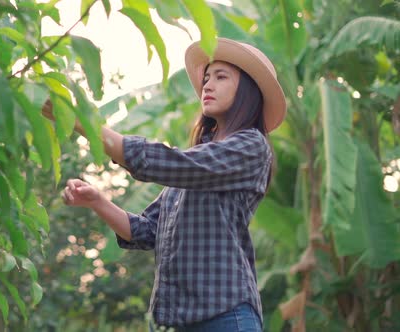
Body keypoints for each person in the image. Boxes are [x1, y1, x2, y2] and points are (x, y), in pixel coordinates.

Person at [42, 37, 286, 332]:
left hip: (226, 318)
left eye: (221, 77)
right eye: (206, 77)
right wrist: (97, 201)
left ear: (248, 92)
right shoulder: (196, 165)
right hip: (183, 323)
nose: (207, 85)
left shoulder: (250, 146)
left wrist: (79, 121)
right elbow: (147, 231)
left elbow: (170, 163)